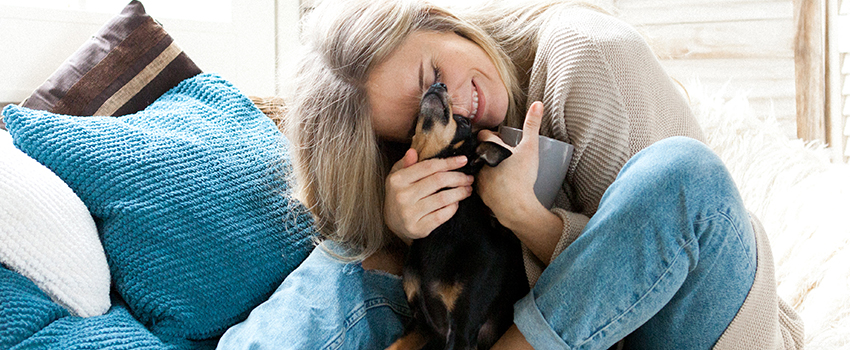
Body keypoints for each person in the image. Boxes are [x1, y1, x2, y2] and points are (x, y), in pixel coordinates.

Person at [217, 0, 804, 349]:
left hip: (719, 327)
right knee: (351, 259)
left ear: (442, 21)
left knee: (683, 173)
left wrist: (524, 216)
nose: (454, 107)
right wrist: (397, 221)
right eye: (421, 117)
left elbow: (670, 243)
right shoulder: (450, 160)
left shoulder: (584, 55)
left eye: (434, 78)